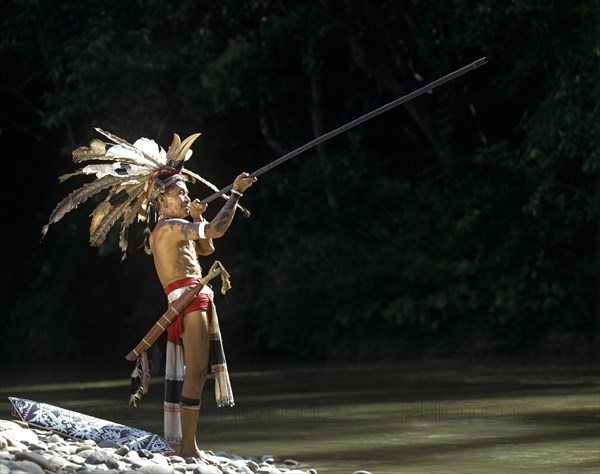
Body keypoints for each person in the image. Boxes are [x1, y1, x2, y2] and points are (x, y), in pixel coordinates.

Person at [147, 170, 257, 461]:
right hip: (189, 302)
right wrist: (235, 194)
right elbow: (217, 230)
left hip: (192, 299)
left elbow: (206, 249)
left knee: (196, 373)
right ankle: (188, 448)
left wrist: (196, 218)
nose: (185, 197)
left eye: (185, 192)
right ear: (162, 199)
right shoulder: (169, 227)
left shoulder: (173, 226)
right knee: (195, 373)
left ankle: (186, 445)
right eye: (179, 193)